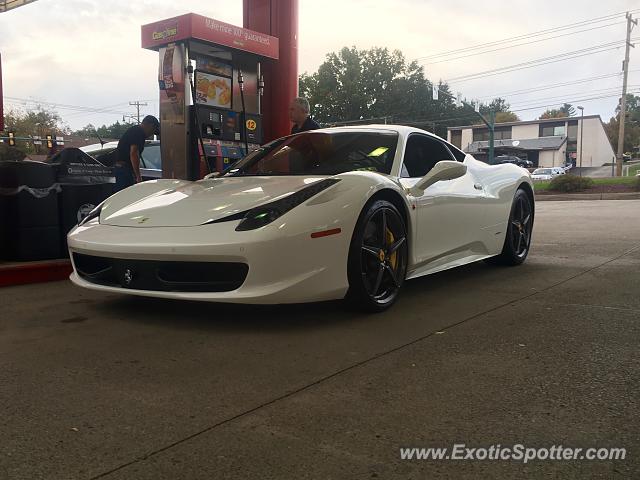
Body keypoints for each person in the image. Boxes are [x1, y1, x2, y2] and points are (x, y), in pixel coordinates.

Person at [113, 115, 160, 192]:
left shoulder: (135, 130)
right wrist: (138, 176)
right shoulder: (138, 132)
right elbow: (134, 153)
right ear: (150, 125)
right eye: (153, 131)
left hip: (122, 169)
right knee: (125, 197)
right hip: (123, 171)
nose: (151, 134)